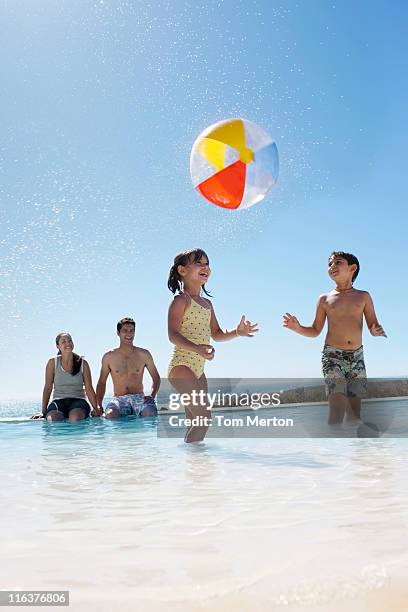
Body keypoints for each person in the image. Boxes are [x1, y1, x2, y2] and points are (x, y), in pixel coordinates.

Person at [283, 251, 386, 424]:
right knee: (336, 409)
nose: (332, 266)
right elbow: (315, 330)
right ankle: (333, 440)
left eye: (337, 262)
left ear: (352, 268)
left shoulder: (363, 296)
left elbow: (372, 324)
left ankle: (357, 450)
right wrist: (298, 327)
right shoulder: (325, 299)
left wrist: (375, 331)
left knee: (355, 415)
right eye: (329, 264)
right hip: (333, 356)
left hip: (357, 357)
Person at [168, 248, 259, 443]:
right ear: (182, 270)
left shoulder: (207, 304)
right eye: (198, 263)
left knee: (195, 421)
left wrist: (237, 332)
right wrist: (197, 348)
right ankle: (195, 465)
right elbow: (173, 335)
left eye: (207, 263)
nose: (205, 267)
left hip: (199, 370)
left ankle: (193, 465)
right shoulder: (180, 301)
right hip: (181, 366)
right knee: (204, 419)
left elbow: (216, 334)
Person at [96, 317, 160, 418]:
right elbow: (102, 382)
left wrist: (152, 395)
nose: (129, 334)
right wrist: (98, 405)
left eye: (132, 331)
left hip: (139, 398)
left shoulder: (144, 354)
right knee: (110, 415)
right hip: (119, 399)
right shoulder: (109, 357)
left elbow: (156, 378)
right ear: (118, 333)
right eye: (125, 331)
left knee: (150, 414)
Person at [33, 332, 100, 422]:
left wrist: (96, 408)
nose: (68, 343)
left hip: (79, 401)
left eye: (70, 341)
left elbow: (89, 388)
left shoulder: (83, 363)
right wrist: (43, 412)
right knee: (52, 420)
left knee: (75, 418)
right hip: (58, 401)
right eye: (63, 341)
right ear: (58, 346)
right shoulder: (52, 363)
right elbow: (48, 387)